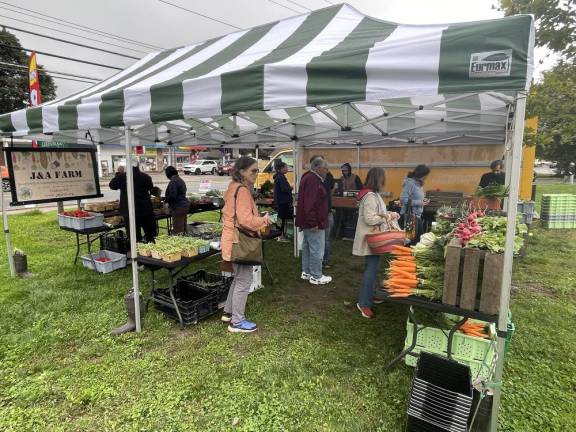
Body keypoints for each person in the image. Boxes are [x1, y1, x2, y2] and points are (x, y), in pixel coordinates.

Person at [221, 157, 272, 333]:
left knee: (238, 278)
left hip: (231, 239)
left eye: (257, 170)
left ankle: (228, 312)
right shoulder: (241, 190)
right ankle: (236, 321)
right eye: (253, 170)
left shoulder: (233, 187)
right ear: (241, 171)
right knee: (244, 280)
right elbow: (245, 220)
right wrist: (264, 220)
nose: (256, 173)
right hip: (239, 241)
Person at [353, 168, 400, 318]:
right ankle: (364, 303)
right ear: (379, 180)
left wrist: (387, 215)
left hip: (373, 238)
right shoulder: (370, 196)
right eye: (384, 179)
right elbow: (370, 219)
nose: (385, 181)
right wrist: (389, 216)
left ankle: (370, 295)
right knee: (371, 271)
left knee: (372, 269)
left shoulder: (373, 195)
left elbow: (375, 215)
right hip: (371, 239)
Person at [296, 157, 332, 285]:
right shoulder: (313, 180)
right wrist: (313, 222)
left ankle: (306, 272)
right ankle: (316, 275)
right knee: (317, 248)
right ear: (318, 168)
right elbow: (310, 204)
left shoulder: (308, 177)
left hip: (307, 221)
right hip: (313, 222)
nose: (327, 171)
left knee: (307, 247)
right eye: (325, 168)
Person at [109, 160, 156, 243]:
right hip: (146, 209)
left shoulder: (123, 176)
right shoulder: (146, 177)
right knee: (150, 235)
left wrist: (119, 173)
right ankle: (152, 252)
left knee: (135, 237)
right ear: (137, 166)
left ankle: (138, 254)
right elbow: (150, 187)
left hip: (130, 211)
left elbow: (112, 185)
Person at [400, 164, 431, 243]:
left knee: (417, 242)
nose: (426, 177)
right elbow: (403, 200)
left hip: (417, 216)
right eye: (425, 175)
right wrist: (420, 203)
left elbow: (415, 197)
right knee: (410, 242)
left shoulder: (419, 184)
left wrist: (423, 200)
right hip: (409, 217)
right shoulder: (410, 183)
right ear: (421, 174)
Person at [164, 166, 190, 235]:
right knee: (183, 228)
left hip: (178, 207)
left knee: (178, 230)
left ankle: (181, 243)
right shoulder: (180, 180)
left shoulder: (173, 181)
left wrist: (165, 200)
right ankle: (185, 240)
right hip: (184, 206)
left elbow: (173, 196)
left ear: (168, 174)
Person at [273, 161, 293, 241]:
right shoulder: (280, 177)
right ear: (281, 168)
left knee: (281, 219)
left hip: (282, 201)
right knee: (281, 219)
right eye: (286, 167)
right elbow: (284, 189)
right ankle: (279, 236)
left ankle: (280, 234)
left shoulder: (280, 176)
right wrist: (290, 188)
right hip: (282, 201)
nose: (287, 169)